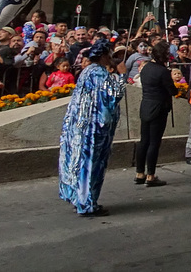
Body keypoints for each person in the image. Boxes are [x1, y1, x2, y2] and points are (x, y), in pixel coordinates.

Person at [57, 39, 125, 216]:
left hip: (82, 126)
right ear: (103, 55)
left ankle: (80, 198)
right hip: (93, 128)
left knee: (81, 163)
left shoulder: (88, 71)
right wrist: (122, 76)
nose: (112, 58)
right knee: (90, 164)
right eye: (109, 54)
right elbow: (113, 96)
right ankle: (86, 204)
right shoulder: (99, 74)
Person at [135, 41, 177, 187]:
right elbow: (172, 90)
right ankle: (151, 175)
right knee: (154, 142)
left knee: (144, 140)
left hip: (145, 105)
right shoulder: (162, 71)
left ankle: (140, 173)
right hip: (159, 107)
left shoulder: (145, 68)